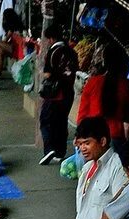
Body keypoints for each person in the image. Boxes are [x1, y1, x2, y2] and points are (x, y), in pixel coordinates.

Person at [77, 47, 129, 152]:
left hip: (92, 136)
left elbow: (82, 114)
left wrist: (80, 136)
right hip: (116, 136)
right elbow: (127, 123)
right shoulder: (125, 85)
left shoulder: (92, 82)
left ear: (104, 62)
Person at [38, 25, 79, 165]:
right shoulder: (72, 52)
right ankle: (60, 151)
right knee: (61, 122)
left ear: (51, 38)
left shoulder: (54, 51)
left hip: (55, 94)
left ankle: (49, 148)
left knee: (46, 120)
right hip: (69, 92)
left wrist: (43, 74)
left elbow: (48, 73)